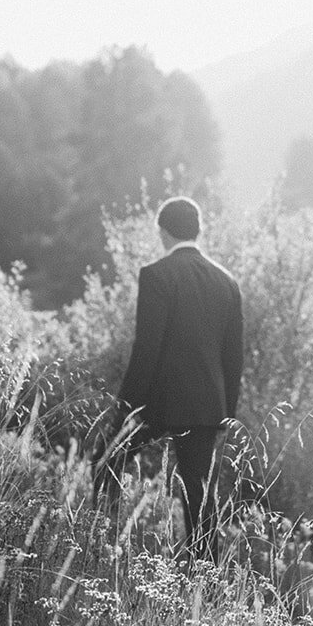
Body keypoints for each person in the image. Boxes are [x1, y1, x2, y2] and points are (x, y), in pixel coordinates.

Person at [93, 196, 244, 561]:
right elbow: (233, 358)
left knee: (105, 460)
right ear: (199, 230)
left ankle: (100, 544)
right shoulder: (227, 282)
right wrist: (225, 413)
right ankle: (204, 582)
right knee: (199, 494)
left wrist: (123, 411)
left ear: (162, 232)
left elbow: (146, 350)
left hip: (157, 404)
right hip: (206, 405)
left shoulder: (156, 275)